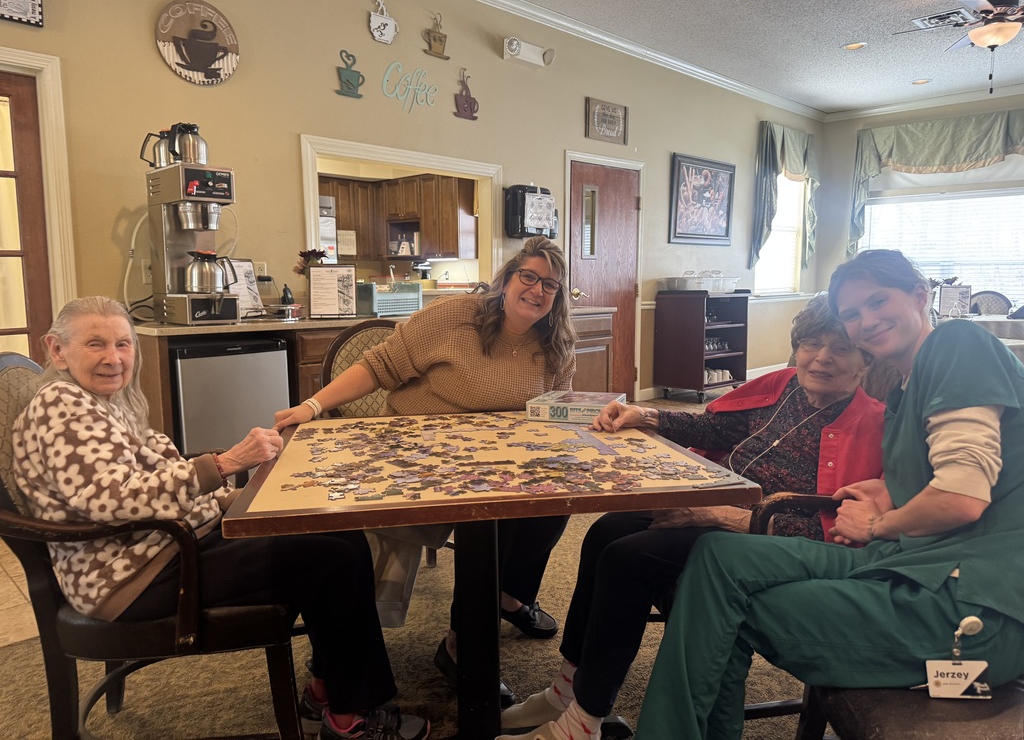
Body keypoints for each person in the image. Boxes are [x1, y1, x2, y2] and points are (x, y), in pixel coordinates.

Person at [636, 249, 1024, 740]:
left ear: (920, 296)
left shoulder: (956, 344)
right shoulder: (904, 387)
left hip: (969, 607)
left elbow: (962, 496)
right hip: (911, 564)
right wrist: (888, 490)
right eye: (852, 313)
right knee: (718, 555)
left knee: (723, 610)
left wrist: (878, 523)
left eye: (878, 301)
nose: (866, 321)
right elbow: (951, 470)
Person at [11, 296, 429, 740]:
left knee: (338, 534)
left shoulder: (103, 401)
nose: (113, 358)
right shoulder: (62, 404)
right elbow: (110, 499)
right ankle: (353, 719)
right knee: (334, 562)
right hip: (132, 577)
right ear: (57, 350)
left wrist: (238, 500)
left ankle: (327, 692)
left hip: (166, 547)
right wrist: (226, 463)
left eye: (123, 344)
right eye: (96, 344)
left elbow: (147, 482)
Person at [498, 296, 885, 740]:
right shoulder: (785, 388)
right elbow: (714, 428)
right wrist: (646, 414)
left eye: (841, 348)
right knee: (606, 529)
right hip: (718, 504)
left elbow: (830, 532)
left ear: (864, 361)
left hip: (764, 540)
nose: (821, 358)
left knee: (628, 558)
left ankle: (583, 722)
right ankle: (568, 686)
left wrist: (721, 515)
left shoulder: (875, 425)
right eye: (811, 344)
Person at [274, 236, 578, 698]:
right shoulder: (454, 316)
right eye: (528, 276)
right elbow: (379, 365)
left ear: (557, 297)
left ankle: (490, 612)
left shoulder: (556, 344)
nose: (537, 290)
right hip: (414, 450)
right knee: (485, 518)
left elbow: (557, 408)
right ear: (507, 279)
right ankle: (372, 647)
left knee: (553, 495)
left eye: (549, 285)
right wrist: (312, 405)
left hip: (500, 460)